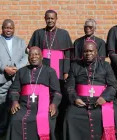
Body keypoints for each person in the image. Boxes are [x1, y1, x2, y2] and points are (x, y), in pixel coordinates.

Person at [27, 9, 72, 138]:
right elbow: (32, 52)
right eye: (48, 18)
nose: (50, 20)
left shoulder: (63, 33)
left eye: (52, 18)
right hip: (43, 71)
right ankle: (44, 124)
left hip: (59, 72)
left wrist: (66, 71)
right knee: (44, 99)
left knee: (59, 98)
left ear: (56, 19)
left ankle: (59, 127)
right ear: (45, 18)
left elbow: (68, 54)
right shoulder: (38, 33)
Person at [64, 40, 117, 140]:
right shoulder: (75, 66)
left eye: (91, 51)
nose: (88, 53)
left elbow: (113, 85)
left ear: (96, 52)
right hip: (81, 103)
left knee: (110, 113)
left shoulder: (105, 66)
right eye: (86, 51)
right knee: (70, 116)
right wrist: (75, 98)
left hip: (101, 102)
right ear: (82, 53)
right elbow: (69, 86)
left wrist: (104, 97)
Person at [6, 46, 62, 140]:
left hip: (44, 106)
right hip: (23, 106)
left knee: (46, 119)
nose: (33, 56)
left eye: (36, 54)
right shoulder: (21, 71)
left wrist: (54, 104)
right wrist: (15, 101)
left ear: (42, 57)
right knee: (15, 120)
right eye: (31, 54)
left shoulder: (50, 71)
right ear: (28, 58)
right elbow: (14, 89)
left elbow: (56, 92)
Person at [0, 19, 28, 138]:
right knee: (0, 106)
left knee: (16, 104)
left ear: (14, 29)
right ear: (2, 28)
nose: (8, 30)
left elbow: (25, 56)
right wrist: (4, 68)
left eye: (11, 28)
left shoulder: (20, 42)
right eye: (6, 28)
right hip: (0, 78)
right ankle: (1, 129)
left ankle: (13, 128)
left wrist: (16, 67)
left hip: (16, 78)